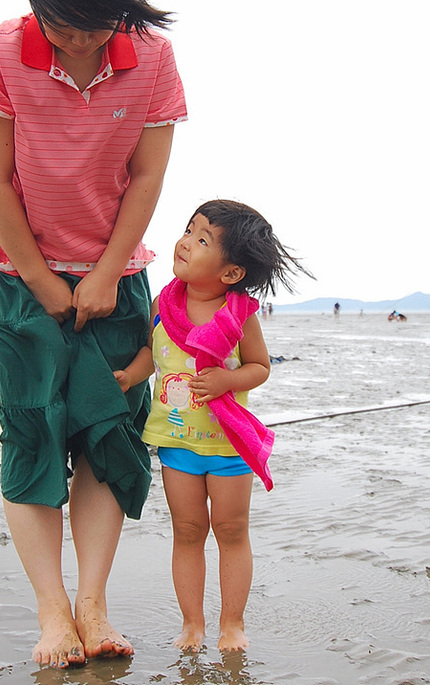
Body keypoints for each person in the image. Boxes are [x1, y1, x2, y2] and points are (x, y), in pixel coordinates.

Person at [0, 0, 187, 669]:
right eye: (61, 24)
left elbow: (148, 177)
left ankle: (93, 600)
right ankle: (52, 612)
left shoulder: (153, 59)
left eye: (95, 25)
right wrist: (41, 278)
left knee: (107, 432)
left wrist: (100, 275)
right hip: (18, 274)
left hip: (116, 273)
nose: (78, 40)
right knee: (31, 429)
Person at [114, 200, 310, 651]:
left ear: (230, 274)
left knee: (231, 531)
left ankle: (232, 625)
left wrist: (227, 379)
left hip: (228, 446)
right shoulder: (163, 302)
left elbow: (259, 367)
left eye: (202, 239)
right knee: (187, 532)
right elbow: (153, 354)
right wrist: (130, 375)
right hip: (176, 442)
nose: (186, 241)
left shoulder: (239, 315)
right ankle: (192, 624)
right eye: (189, 230)